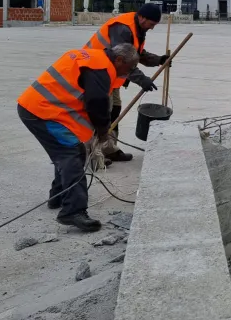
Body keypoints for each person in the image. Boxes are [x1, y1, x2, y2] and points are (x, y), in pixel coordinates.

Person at [17, 43, 140, 232]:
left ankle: (57, 196)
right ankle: (73, 211)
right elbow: (96, 102)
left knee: (69, 152)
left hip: (43, 108)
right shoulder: (100, 68)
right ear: (119, 60)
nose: (130, 72)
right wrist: (102, 131)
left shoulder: (97, 59)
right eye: (130, 67)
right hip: (41, 112)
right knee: (71, 154)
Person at [83, 3, 168, 163]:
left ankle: (109, 148)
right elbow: (122, 59)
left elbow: (136, 54)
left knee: (114, 109)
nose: (152, 28)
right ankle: (94, 153)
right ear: (142, 17)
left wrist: (158, 60)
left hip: (111, 73)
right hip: (95, 71)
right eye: (151, 24)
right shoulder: (123, 28)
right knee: (100, 112)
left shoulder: (137, 28)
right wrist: (142, 79)